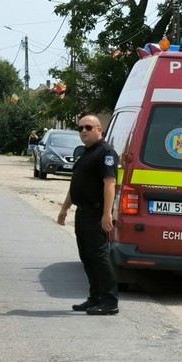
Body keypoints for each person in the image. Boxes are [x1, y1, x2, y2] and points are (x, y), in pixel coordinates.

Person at [57, 115, 120, 316]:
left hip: (96, 212)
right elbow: (76, 183)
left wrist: (107, 213)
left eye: (88, 127)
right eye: (80, 128)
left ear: (99, 129)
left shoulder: (105, 152)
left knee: (99, 257)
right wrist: (64, 208)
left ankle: (109, 301)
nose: (83, 131)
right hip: (83, 212)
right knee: (87, 256)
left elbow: (110, 183)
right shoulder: (85, 153)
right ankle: (95, 297)